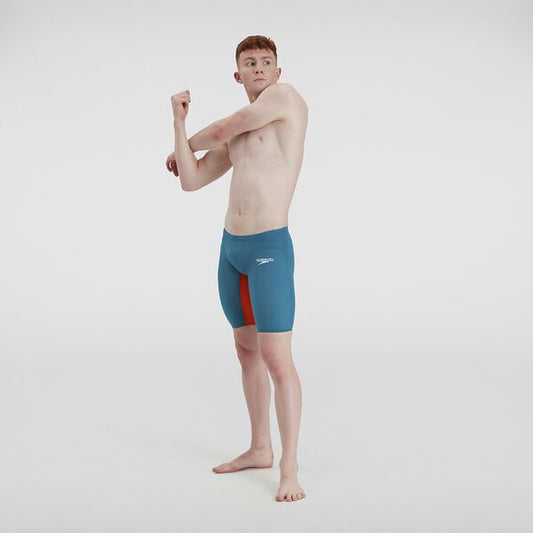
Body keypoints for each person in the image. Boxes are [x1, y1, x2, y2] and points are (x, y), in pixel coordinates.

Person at [166, 35, 308, 502]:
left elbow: (230, 123)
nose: (259, 68)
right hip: (232, 250)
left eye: (267, 62)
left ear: (278, 71)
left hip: (269, 248)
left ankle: (289, 468)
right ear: (238, 74)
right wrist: (178, 124)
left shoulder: (285, 100)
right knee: (246, 352)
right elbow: (191, 180)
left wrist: (186, 143)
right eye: (250, 63)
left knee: (277, 359)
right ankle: (260, 448)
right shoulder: (236, 138)